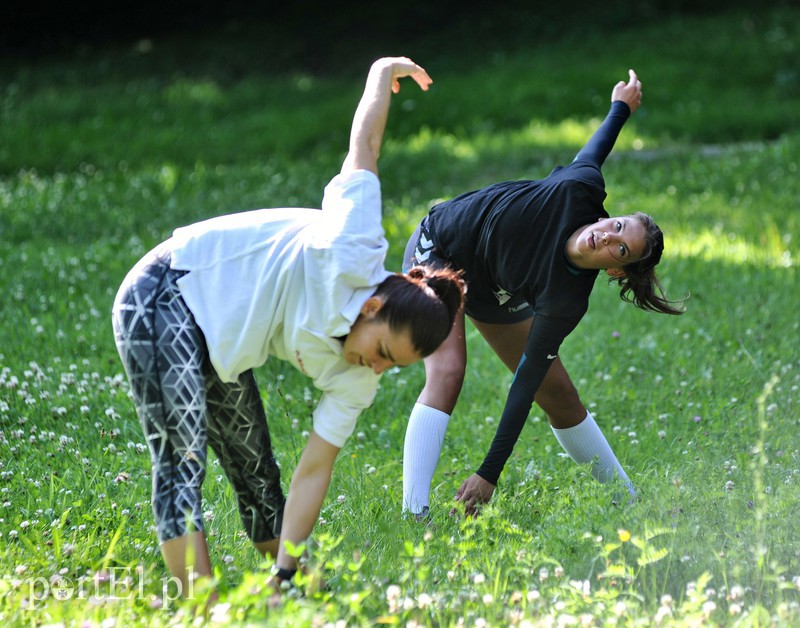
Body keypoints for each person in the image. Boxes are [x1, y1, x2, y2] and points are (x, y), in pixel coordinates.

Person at [111, 56, 466, 592]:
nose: (376, 368)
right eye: (383, 353)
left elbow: (314, 471)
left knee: (258, 471)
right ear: (371, 308)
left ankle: (288, 589)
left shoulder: (357, 378)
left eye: (392, 367)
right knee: (182, 459)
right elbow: (364, 148)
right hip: (167, 292)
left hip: (224, 344)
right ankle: (202, 609)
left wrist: (284, 571)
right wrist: (380, 73)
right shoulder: (353, 247)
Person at [401, 69, 684, 518]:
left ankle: (628, 503)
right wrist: (621, 106)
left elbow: (525, 384)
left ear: (615, 268)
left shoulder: (565, 300)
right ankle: (413, 516)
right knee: (449, 370)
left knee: (559, 395)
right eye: (614, 225)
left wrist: (488, 473)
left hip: (493, 286)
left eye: (620, 247)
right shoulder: (577, 189)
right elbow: (596, 149)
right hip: (441, 247)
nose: (606, 236)